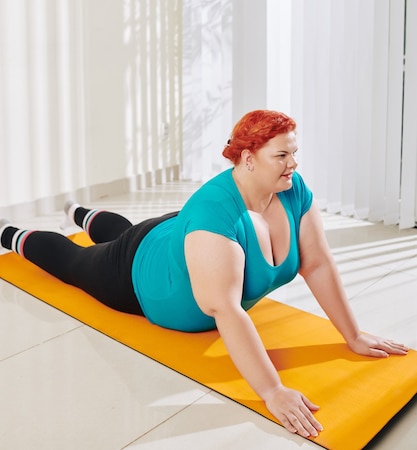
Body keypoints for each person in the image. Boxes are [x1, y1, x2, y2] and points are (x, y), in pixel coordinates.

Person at [0, 109, 408, 439]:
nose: (293, 164)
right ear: (248, 160)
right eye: (281, 156)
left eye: (293, 154)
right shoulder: (214, 212)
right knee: (77, 263)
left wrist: (352, 336)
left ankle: (80, 213)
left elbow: (316, 264)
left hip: (183, 236)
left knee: (124, 232)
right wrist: (272, 391)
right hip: (138, 272)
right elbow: (225, 309)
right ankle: (10, 232)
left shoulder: (292, 190)